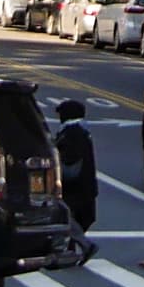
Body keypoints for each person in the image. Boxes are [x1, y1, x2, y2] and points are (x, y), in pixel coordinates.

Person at [51, 97, 98, 230]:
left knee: (70, 225)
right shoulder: (81, 131)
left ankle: (84, 245)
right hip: (85, 191)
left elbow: (71, 168)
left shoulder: (71, 134)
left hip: (75, 193)